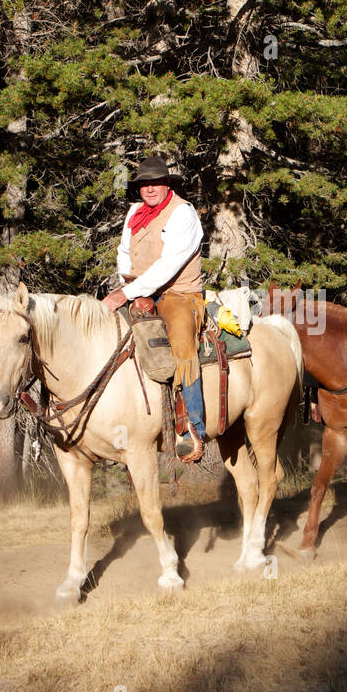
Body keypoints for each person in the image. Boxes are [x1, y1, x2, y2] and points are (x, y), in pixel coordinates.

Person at [101, 155, 208, 462]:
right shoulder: (135, 213)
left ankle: (192, 429)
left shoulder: (182, 213)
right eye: (144, 184)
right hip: (139, 290)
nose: (149, 189)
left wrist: (126, 293)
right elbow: (124, 251)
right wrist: (129, 282)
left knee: (182, 343)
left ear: (167, 184)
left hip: (178, 293)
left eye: (155, 183)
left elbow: (169, 265)